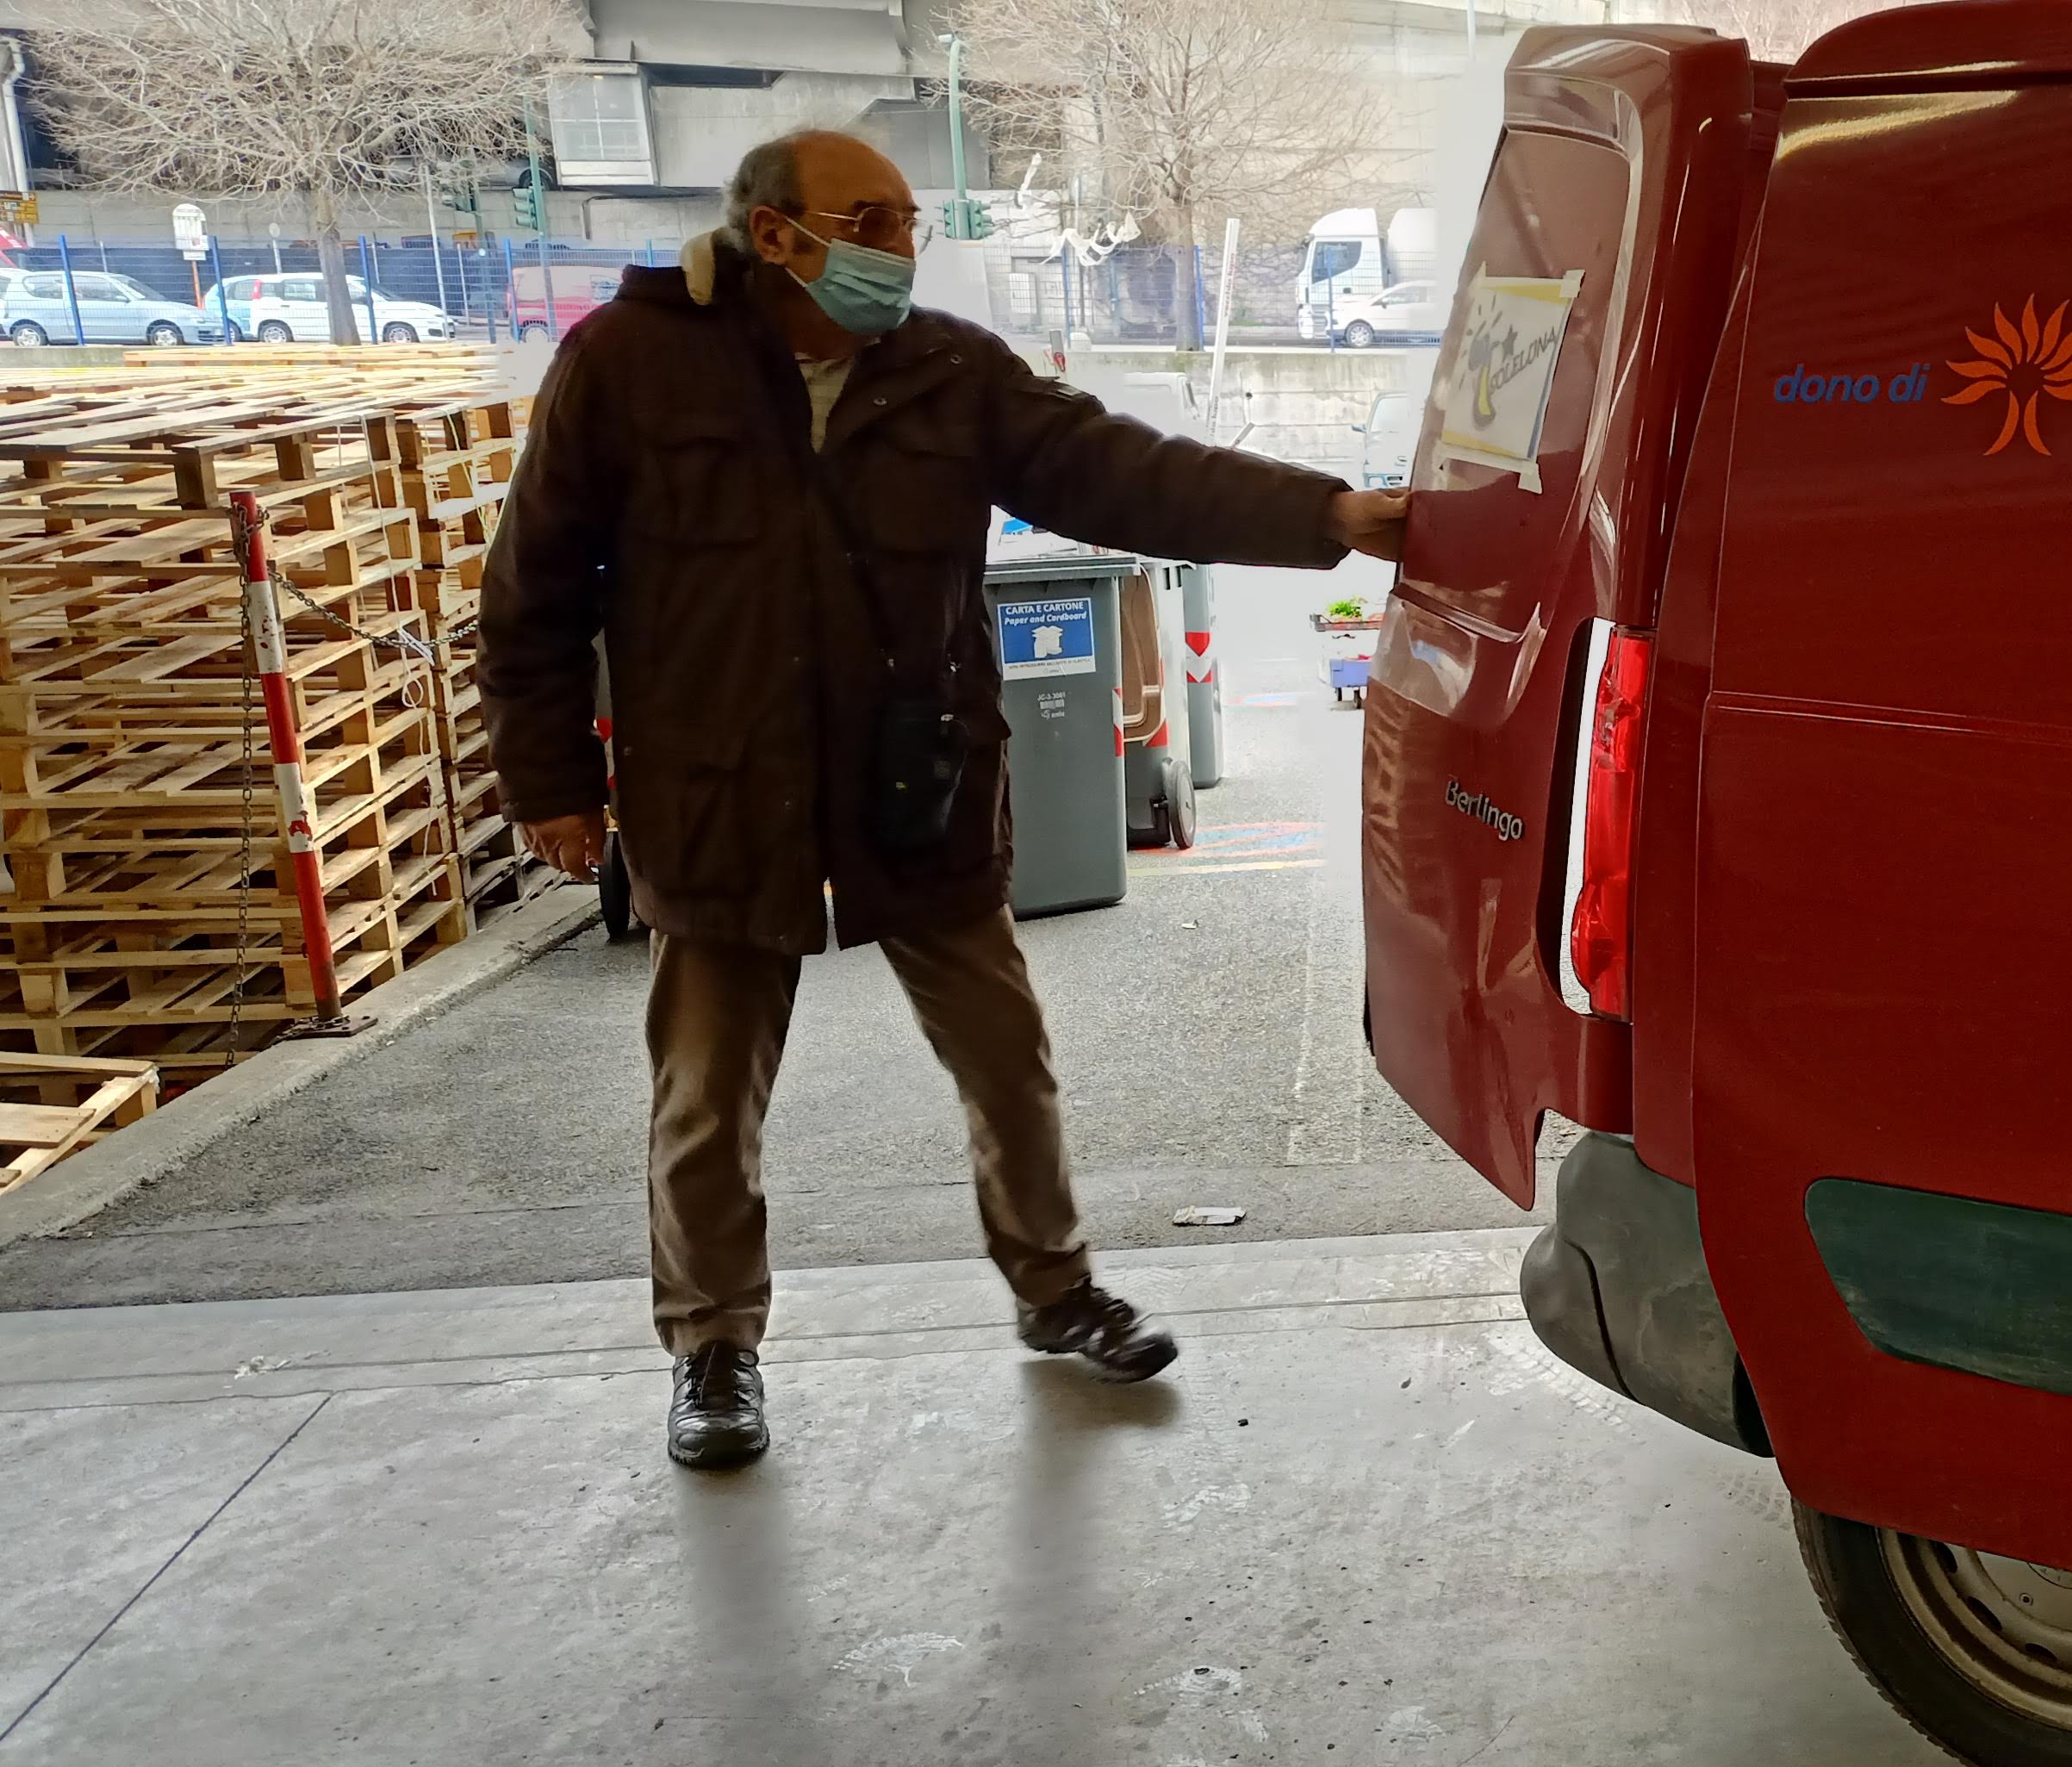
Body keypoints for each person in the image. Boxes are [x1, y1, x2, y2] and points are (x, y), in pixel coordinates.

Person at [478, 128, 1406, 1471]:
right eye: (875, 219)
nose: (902, 247)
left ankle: (1058, 1291)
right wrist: (553, 782)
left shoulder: (948, 372)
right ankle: (713, 1348)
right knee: (704, 1100)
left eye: (909, 221)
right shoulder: (629, 367)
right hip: (721, 800)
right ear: (778, 233)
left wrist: (1331, 514)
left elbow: (1127, 472)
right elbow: (536, 593)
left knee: (1006, 1064)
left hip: (919, 789)